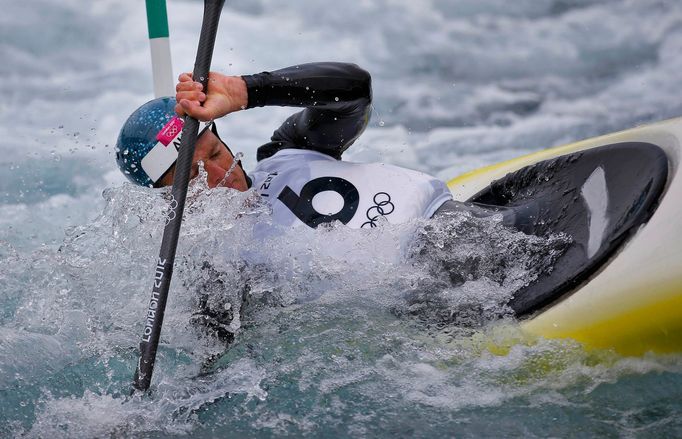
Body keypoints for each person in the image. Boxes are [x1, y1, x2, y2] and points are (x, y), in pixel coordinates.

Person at [115, 62, 510, 229]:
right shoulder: (221, 274)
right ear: (169, 199)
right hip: (452, 303)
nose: (223, 177)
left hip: (469, 222)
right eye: (196, 177)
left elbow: (354, 87)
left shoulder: (289, 150)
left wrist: (244, 91)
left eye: (216, 155)